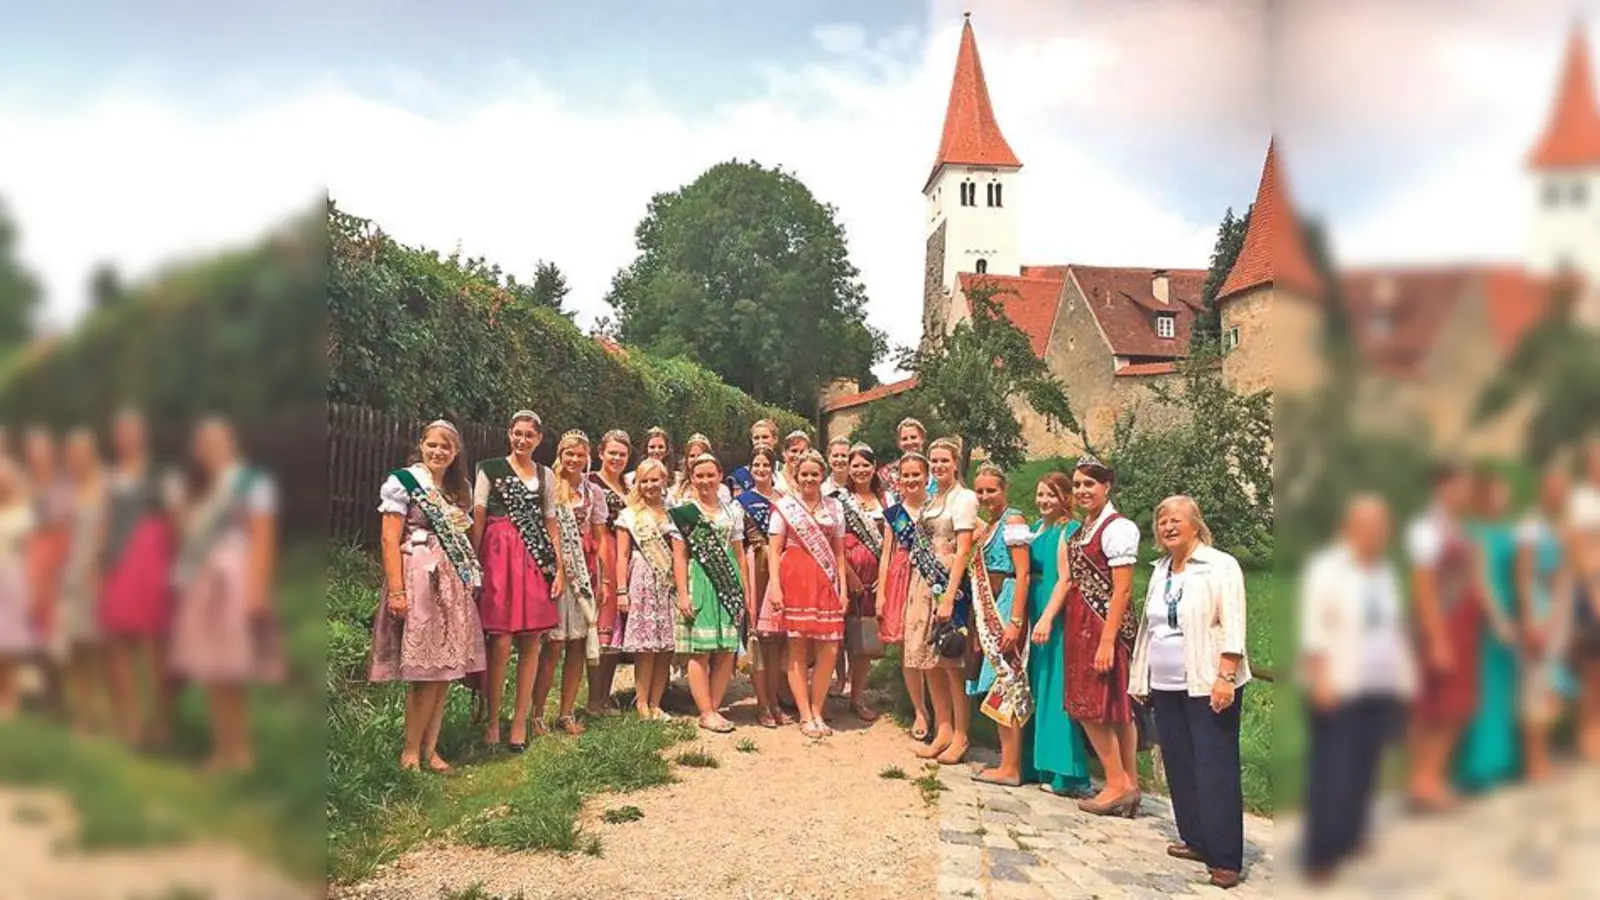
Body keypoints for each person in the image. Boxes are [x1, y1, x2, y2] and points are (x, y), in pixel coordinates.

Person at [1129, 495, 1251, 890]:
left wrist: (1226, 675)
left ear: (1195, 525)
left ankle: (1225, 857)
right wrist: (1141, 677)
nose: (1167, 527)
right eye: (1161, 521)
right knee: (1180, 762)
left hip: (1206, 680)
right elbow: (1152, 629)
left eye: (1176, 520)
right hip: (1166, 683)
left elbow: (1233, 621)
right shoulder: (1162, 568)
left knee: (1214, 766)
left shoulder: (1220, 565)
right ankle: (1196, 838)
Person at [1297, 494, 1415, 884]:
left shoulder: (1383, 573)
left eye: (1382, 528)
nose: (1377, 534)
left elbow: (1394, 629)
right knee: (1333, 770)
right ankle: (1321, 852)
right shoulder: (1328, 569)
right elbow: (1315, 628)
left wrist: (1406, 681)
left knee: (1366, 765)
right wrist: (1322, 679)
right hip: (1340, 684)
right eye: (1369, 526)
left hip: (1380, 684)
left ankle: (1352, 836)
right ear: (1351, 527)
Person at [370, 420, 487, 772]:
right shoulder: (403, 482)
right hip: (418, 577)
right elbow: (390, 539)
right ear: (421, 445)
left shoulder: (458, 489)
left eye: (445, 447)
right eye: (432, 444)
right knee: (424, 672)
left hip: (450, 581)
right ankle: (410, 751)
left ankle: (431, 748)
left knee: (444, 669)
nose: (438, 452)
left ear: (455, 454)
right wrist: (397, 591)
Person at [169, 417, 284, 772]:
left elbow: (263, 537)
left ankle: (242, 750)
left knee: (233, 668)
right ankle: (223, 748)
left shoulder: (252, 482)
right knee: (212, 667)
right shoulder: (199, 489)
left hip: (236, 577)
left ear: (230, 442)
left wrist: (258, 591)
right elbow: (184, 537)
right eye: (203, 444)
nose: (209, 450)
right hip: (204, 582)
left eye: (216, 442)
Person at [1052, 453, 1140, 816]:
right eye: (1078, 485)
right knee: (1109, 708)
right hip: (1081, 623)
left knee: (1096, 706)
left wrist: (1107, 639)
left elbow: (1121, 590)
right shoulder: (1086, 527)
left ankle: (1118, 782)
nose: (1083, 491)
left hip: (1102, 626)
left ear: (1107, 486)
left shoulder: (1118, 528)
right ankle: (1127, 784)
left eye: (1090, 484)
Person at [470, 410, 563, 752]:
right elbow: (478, 517)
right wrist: (473, 563)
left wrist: (559, 569)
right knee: (502, 642)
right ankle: (493, 719)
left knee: (532, 641)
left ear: (539, 439)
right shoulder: (489, 469)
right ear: (509, 434)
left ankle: (520, 721)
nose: (523, 440)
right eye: (518, 433)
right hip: (497, 556)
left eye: (530, 435)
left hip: (534, 561)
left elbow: (551, 523)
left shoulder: (546, 475)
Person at [1405, 462, 1493, 811]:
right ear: (1443, 487)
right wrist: (1438, 639)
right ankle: (1422, 780)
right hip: (1441, 626)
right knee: (1433, 704)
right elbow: (1424, 588)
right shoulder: (1427, 529)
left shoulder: (1461, 530)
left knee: (1457, 706)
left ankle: (1433, 776)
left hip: (1465, 627)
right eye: (1460, 486)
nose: (1465, 494)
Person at [99, 408, 179, 748]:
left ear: (142, 435)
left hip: (151, 566)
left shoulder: (161, 475)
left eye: (131, 432)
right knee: (116, 642)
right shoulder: (110, 476)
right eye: (120, 433)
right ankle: (130, 720)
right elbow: (105, 524)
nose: (125, 439)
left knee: (153, 645)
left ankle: (160, 721)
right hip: (118, 565)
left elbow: (177, 522)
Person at [531, 431, 609, 736]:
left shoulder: (594, 493)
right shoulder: (549, 487)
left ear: (587, 456)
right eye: (569, 454)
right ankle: (537, 714)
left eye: (580, 455)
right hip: (558, 571)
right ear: (560, 455)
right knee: (554, 645)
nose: (574, 460)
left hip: (586, 572)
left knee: (578, 645)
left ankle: (566, 712)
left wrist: (604, 580)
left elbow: (601, 538)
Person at [767, 450, 848, 738]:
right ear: (796, 476)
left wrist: (843, 588)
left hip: (825, 581)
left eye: (815, 474)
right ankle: (804, 714)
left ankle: (818, 708)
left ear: (822, 476)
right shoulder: (785, 506)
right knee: (798, 647)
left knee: (830, 648)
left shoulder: (835, 508)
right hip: (795, 577)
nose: (810, 479)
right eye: (805, 474)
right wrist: (775, 587)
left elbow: (839, 555)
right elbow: (774, 551)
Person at [669, 453, 751, 733]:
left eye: (710, 475)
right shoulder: (684, 513)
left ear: (719, 476)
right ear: (691, 479)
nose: (705, 481)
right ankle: (705, 711)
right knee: (700, 650)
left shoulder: (733, 511)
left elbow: (740, 555)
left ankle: (715, 707)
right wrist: (683, 594)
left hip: (728, 582)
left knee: (727, 649)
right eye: (699, 476)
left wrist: (745, 590)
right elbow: (679, 557)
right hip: (700, 581)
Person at [966, 463, 1034, 786]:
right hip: (990, 600)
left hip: (1005, 601)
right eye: (980, 491)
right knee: (998, 681)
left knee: (1006, 680)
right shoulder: (991, 525)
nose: (985, 496)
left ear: (1003, 488)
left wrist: (1015, 620)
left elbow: (1023, 573)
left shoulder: (1014, 521)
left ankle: (1010, 766)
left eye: (991, 490)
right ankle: (1008, 762)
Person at [1454, 469, 1522, 793]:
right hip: (1486, 622)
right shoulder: (1473, 532)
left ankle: (1502, 761)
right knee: (1484, 692)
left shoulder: (1508, 532)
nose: (1501, 500)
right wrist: (1499, 621)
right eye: (1495, 494)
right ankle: (1477, 767)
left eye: (1504, 494)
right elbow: (1480, 582)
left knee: (1503, 691)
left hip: (1510, 612)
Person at [1025, 472, 1092, 796]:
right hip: (1035, 608)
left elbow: (1066, 579)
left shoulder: (1068, 530)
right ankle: (1040, 764)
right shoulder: (1040, 529)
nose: (1043, 501)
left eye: (1050, 495)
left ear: (1065, 496)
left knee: (1055, 689)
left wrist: (1048, 618)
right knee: (1039, 687)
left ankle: (1068, 772)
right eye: (1039, 494)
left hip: (1055, 613)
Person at [913, 438, 979, 764]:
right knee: (932, 662)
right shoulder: (932, 499)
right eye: (934, 461)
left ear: (956, 462)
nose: (938, 466)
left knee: (952, 662)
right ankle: (943, 729)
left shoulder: (963, 498)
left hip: (950, 587)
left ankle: (962, 735)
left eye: (944, 460)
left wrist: (950, 596)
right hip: (926, 584)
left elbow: (966, 546)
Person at [1515, 463, 1577, 783]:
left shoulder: (1561, 526)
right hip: (1539, 606)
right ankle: (1533, 759)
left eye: (1564, 489)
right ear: (1543, 490)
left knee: (1551, 683)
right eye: (1555, 488)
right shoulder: (1530, 524)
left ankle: (1545, 754)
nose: (1560, 494)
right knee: (1535, 683)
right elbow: (1524, 572)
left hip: (1558, 609)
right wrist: (1529, 617)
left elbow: (1567, 569)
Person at [614, 458, 681, 720]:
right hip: (641, 578)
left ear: (664, 481)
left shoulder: (674, 512)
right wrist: (621, 590)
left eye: (655, 480)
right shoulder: (629, 516)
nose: (650, 485)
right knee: (645, 647)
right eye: (645, 481)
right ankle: (641, 704)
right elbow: (621, 555)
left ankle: (656, 703)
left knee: (666, 646)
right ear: (637, 484)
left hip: (669, 581)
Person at [57, 428, 109, 734]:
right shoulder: (64, 489)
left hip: (95, 573)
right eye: (72, 454)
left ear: (93, 454)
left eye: (82, 453)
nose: (77, 459)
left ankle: (105, 709)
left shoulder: (105, 485)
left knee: (98, 646)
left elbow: (110, 530)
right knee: (74, 645)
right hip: (68, 575)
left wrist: (101, 566)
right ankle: (84, 711)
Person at [878, 454, 931, 742]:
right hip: (901, 577)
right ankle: (920, 710)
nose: (911, 480)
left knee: (931, 644)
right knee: (909, 649)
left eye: (916, 474)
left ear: (926, 476)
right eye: (906, 475)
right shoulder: (895, 514)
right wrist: (881, 595)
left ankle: (941, 708)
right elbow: (886, 553)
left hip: (930, 578)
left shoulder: (937, 507)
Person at [739, 447, 792, 727]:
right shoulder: (741, 502)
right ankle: (762, 703)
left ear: (774, 468)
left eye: (765, 465)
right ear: (750, 468)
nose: (761, 469)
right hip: (754, 564)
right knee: (758, 638)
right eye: (756, 464)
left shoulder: (785, 500)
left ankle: (775, 699)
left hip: (780, 565)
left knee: (777, 641)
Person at [586, 429, 632, 717]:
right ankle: (593, 699)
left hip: (626, 555)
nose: (616, 458)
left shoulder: (629, 487)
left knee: (616, 629)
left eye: (622, 454)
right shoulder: (591, 483)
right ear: (601, 453)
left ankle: (605, 696)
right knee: (602, 624)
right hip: (604, 551)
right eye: (612, 452)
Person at [838, 443, 886, 722]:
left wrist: (885, 576)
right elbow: (833, 540)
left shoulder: (887, 500)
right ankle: (830, 692)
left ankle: (857, 697)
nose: (860, 470)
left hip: (875, 582)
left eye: (865, 465)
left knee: (864, 642)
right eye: (855, 465)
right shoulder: (839, 499)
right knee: (835, 638)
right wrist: (850, 575)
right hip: (846, 578)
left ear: (874, 466)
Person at [1569, 439, 1600, 761]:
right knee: (1592, 665)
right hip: (1594, 585)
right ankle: (1588, 732)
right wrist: (1593, 590)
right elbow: (1580, 548)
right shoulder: (1582, 501)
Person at [0, 459, 34, 719]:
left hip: (14, 578)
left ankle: (11, 699)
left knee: (11, 644)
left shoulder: (24, 512)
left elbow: (32, 551)